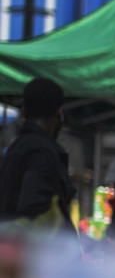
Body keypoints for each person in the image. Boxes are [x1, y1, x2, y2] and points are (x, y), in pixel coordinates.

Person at [0, 77, 75, 231]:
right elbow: (36, 209)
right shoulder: (42, 152)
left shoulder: (17, 148)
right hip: (36, 251)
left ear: (25, 110)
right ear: (59, 112)